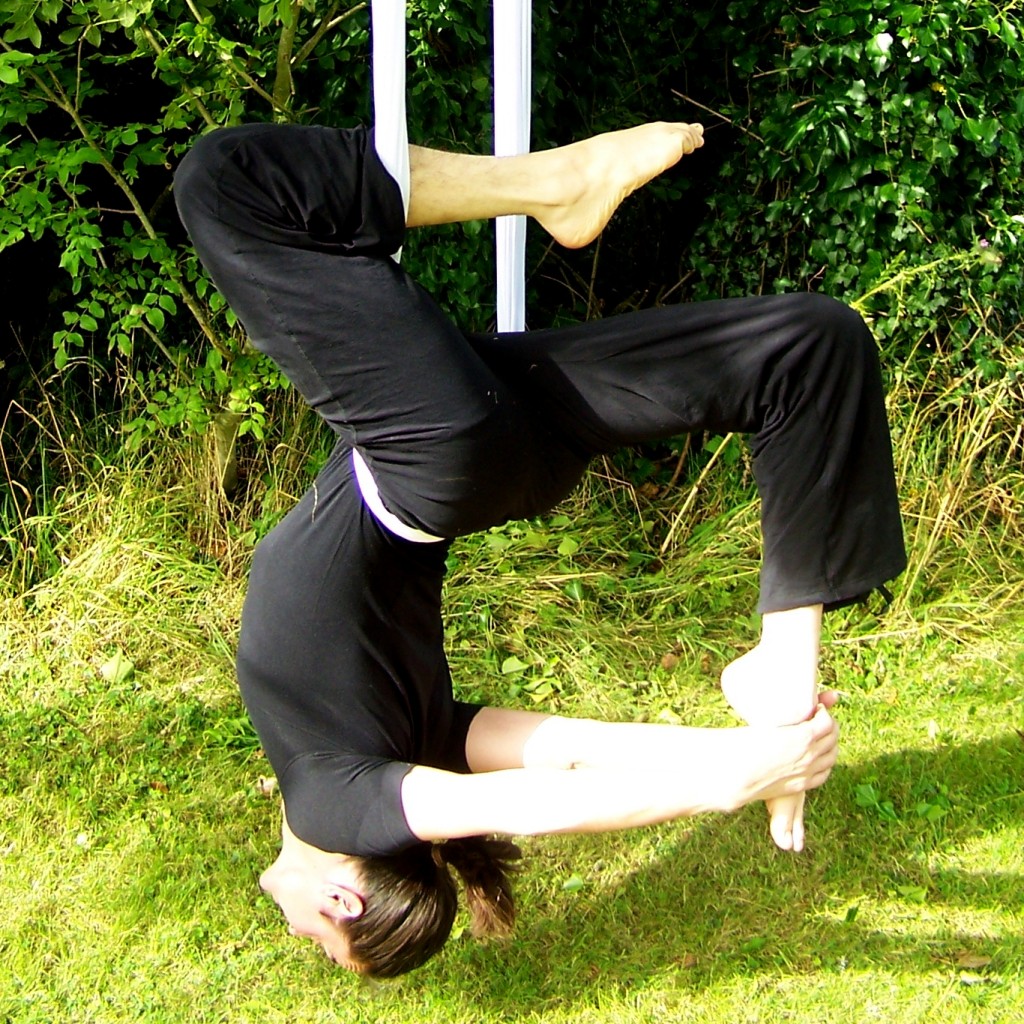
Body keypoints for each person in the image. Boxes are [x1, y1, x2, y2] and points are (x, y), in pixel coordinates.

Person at [172, 116, 905, 977]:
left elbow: (573, 745)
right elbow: (542, 799)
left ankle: (787, 665)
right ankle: (557, 181)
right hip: (433, 459)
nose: (300, 932)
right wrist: (734, 777)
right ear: (343, 902)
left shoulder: (400, 751)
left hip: (500, 458)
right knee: (227, 183)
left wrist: (751, 751)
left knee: (807, 345)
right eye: (323, 945)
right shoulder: (333, 805)